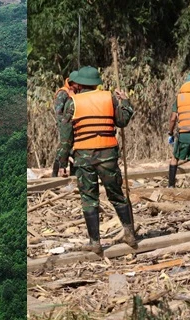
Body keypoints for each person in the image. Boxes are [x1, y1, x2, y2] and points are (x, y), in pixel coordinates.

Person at [56, 66, 137, 254]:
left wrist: (61, 162)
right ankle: (129, 233)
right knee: (116, 193)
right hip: (108, 154)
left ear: (80, 84)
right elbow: (123, 120)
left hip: (84, 157)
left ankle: (95, 242)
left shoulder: (72, 103)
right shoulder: (110, 98)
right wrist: (125, 100)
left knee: (89, 198)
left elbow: (65, 137)